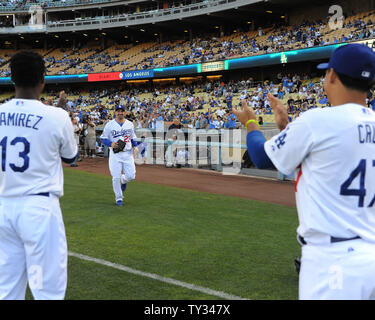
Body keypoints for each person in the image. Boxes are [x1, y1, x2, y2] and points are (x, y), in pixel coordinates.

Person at [234, 44, 375, 300]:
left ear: (332, 75)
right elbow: (326, 161)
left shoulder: (317, 120)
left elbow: (261, 158)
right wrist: (286, 127)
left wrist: (251, 123)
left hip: (333, 260)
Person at [0, 51, 77, 300]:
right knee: (48, 291)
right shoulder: (57, 116)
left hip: (2, 207)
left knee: (6, 290)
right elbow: (71, 157)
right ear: (42, 80)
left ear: (12, 79)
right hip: (39, 208)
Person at [100, 106, 138, 206]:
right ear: (115, 113)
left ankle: (123, 180)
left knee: (131, 176)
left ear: (124, 113)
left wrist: (136, 146)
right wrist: (110, 144)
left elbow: (133, 137)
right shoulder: (109, 125)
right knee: (115, 177)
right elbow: (103, 138)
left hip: (127, 153)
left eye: (122, 111)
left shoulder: (129, 124)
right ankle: (119, 198)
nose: (120, 113)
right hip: (115, 154)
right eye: (118, 111)